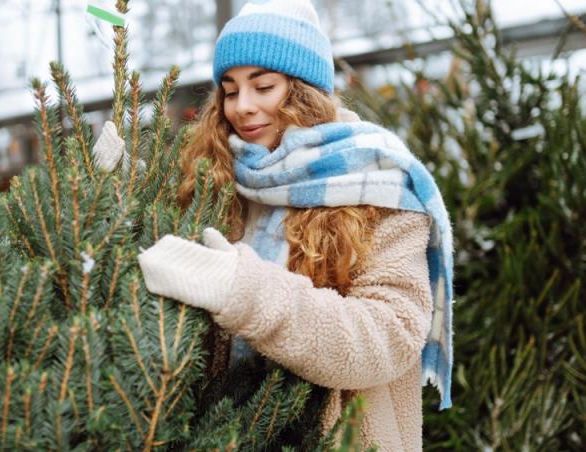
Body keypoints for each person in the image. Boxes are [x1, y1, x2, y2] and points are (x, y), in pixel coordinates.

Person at [95, 0, 455, 449]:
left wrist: (246, 292)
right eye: (230, 91)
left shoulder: (380, 185)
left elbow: (389, 336)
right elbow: (167, 250)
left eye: (263, 86)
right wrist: (121, 187)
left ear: (305, 91)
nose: (242, 107)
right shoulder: (220, 175)